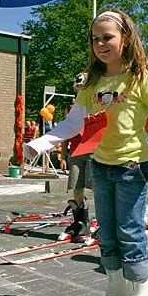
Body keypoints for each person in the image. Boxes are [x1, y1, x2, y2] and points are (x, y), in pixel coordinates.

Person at [23, 9, 148, 296]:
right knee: (107, 234)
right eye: (95, 39)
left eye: (107, 37)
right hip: (102, 166)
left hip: (132, 167)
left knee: (129, 232)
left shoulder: (141, 78)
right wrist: (39, 144)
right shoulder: (93, 82)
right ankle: (116, 294)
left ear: (125, 38)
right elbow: (74, 124)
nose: (100, 44)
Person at [59, 72, 94, 241]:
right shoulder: (71, 109)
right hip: (75, 150)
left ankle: (104, 224)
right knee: (76, 186)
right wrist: (63, 155)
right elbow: (65, 131)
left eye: (83, 88)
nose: (80, 91)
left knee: (97, 187)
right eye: (78, 88)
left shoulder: (96, 105)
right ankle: (81, 223)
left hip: (93, 149)